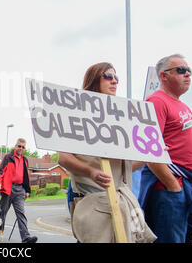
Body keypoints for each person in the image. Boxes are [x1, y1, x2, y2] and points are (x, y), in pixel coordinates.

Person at [57, 62, 156, 243]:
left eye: (116, 77)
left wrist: (148, 155)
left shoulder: (120, 121)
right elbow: (63, 157)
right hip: (91, 200)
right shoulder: (75, 115)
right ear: (94, 80)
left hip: (119, 202)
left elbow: (127, 167)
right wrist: (91, 172)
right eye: (108, 76)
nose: (114, 81)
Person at [137, 54, 192, 243]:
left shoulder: (183, 106)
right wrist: (173, 185)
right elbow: (150, 150)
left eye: (189, 71)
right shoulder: (156, 102)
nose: (187, 74)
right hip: (171, 188)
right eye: (181, 70)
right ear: (163, 76)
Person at [0, 138, 37, 243]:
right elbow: (0, 170)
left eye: (23, 147)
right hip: (8, 188)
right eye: (19, 146)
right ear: (15, 146)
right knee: (2, 213)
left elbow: (26, 176)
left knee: (21, 213)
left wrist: (27, 190)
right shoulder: (8, 157)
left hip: (20, 190)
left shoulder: (25, 160)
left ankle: (26, 237)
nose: (21, 148)